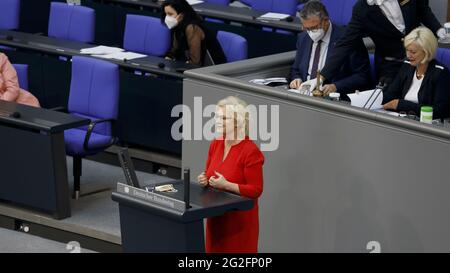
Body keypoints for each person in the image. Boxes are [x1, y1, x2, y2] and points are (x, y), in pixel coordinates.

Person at [302, 0, 445, 91]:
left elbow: (422, 8)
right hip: (390, 66)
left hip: (420, 58)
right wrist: (321, 78)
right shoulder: (362, 9)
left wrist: (438, 29)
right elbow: (345, 44)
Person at [197, 96, 264, 253]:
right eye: (217, 117)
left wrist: (226, 185)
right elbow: (209, 173)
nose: (218, 121)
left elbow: (256, 190)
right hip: (217, 218)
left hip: (238, 223)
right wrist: (204, 179)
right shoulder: (216, 143)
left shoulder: (250, 151)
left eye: (224, 118)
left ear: (237, 121)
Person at [290, 1, 371, 98]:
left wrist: (335, 87)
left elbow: (362, 76)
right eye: (307, 29)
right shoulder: (303, 38)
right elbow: (296, 69)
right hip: (304, 96)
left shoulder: (348, 39)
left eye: (314, 28)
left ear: (326, 21)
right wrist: (296, 79)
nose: (310, 32)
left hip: (334, 99)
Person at [382, 27, 450, 119]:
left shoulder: (440, 73)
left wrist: (402, 105)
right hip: (402, 120)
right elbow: (390, 95)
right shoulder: (407, 66)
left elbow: (439, 111)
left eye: (413, 52)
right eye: (407, 50)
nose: (408, 55)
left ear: (426, 52)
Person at [161, 0, 226, 66]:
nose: (167, 18)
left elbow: (195, 62)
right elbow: (174, 49)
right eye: (166, 14)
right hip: (195, 65)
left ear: (182, 15)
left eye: (170, 14)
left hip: (213, 68)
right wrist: (168, 57)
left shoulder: (192, 28)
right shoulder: (177, 25)